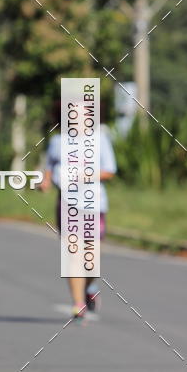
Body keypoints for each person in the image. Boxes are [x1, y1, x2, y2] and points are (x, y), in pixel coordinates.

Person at [41, 98, 117, 318]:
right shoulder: (57, 141)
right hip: (67, 204)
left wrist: (86, 175)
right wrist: (45, 182)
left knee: (91, 258)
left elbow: (110, 170)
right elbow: (49, 166)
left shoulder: (100, 139)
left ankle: (89, 288)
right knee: (73, 254)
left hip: (94, 204)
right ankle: (78, 303)